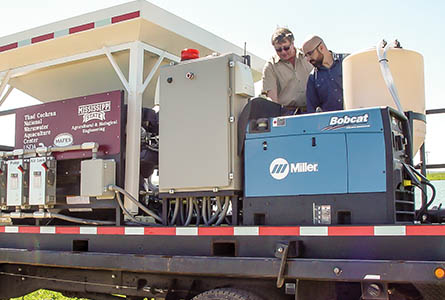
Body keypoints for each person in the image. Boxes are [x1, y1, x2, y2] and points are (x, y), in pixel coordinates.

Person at [262, 28, 313, 115]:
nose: (283, 52)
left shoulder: (308, 56)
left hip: (313, 110)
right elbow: (272, 100)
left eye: (286, 48)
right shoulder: (270, 66)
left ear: (293, 43)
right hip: (288, 113)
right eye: (278, 50)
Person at [302, 35, 346, 113]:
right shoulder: (313, 78)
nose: (308, 59)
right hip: (330, 123)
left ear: (321, 48)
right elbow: (311, 110)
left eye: (310, 54)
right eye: (306, 56)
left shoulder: (346, 62)